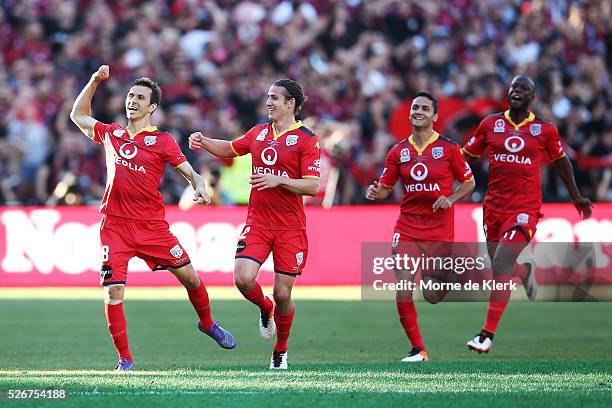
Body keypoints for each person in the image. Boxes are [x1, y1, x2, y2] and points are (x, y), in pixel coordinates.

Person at [70, 65, 235, 371]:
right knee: (114, 290)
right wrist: (93, 81)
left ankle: (208, 323)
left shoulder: (162, 141)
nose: (132, 100)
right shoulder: (111, 134)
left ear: (152, 107)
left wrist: (200, 187)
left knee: (190, 278)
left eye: (140, 97)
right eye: (130, 95)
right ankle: (125, 360)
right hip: (115, 226)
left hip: (152, 227)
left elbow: (192, 174)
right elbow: (77, 116)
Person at [189, 79, 320, 369]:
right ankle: (265, 308)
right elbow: (231, 149)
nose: (269, 102)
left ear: (291, 104)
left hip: (290, 227)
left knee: (284, 293)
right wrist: (205, 141)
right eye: (268, 97)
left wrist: (279, 180)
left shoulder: (307, 140)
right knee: (243, 279)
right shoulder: (259, 133)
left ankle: (281, 349)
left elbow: (312, 186)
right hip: (258, 222)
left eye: (275, 98)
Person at [462, 75, 593, 353]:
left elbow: (561, 162)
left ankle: (486, 335)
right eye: (513, 87)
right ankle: (524, 272)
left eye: (524, 89)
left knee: (499, 266)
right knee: (502, 268)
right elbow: (467, 156)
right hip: (493, 207)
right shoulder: (490, 124)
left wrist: (575, 195)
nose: (517, 91)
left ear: (532, 97)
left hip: (524, 209)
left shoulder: (544, 130)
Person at [366, 92, 475, 362]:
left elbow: (469, 183)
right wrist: (375, 192)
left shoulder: (450, 149)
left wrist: (450, 199)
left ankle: (447, 273)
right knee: (403, 287)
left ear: (435, 116)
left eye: (425, 108)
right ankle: (418, 349)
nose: (418, 111)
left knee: (433, 295)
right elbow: (385, 189)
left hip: (439, 231)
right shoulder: (398, 151)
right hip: (407, 228)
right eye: (415, 107)